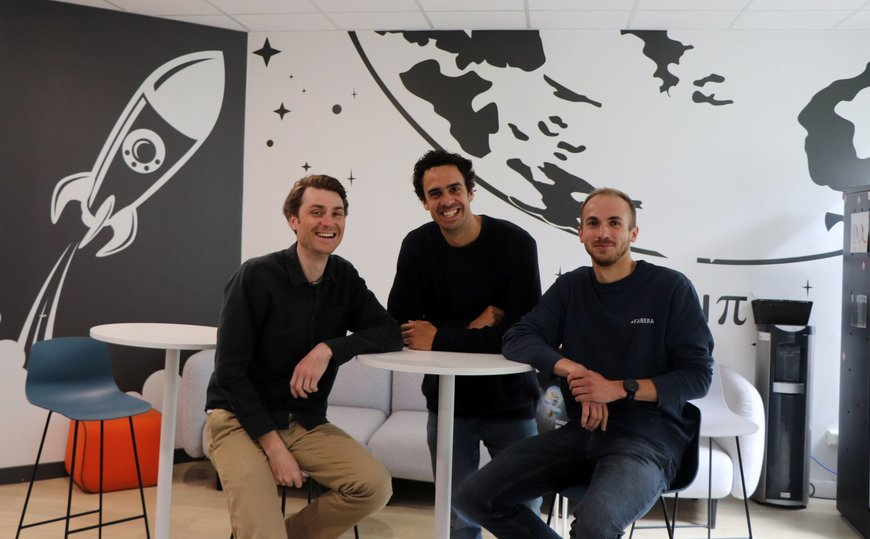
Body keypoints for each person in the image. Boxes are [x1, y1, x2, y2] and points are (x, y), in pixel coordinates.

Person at [456, 187, 714, 539]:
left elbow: (698, 377)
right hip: (580, 432)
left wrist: (617, 389)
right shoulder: (572, 286)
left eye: (614, 223)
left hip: (647, 439)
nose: (603, 232)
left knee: (594, 525)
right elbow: (517, 338)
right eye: (593, 223)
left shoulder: (670, 288)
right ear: (580, 233)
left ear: (633, 233)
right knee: (474, 497)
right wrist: (577, 371)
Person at [205, 174, 403, 539]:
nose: (329, 222)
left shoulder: (343, 275)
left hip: (303, 422)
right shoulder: (255, 276)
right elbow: (230, 373)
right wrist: (274, 448)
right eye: (317, 212)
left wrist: (329, 349)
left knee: (374, 487)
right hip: (238, 420)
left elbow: (389, 331)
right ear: (293, 220)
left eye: (337, 213)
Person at [388, 149, 542, 539]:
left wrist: (439, 336)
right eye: (435, 193)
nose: (447, 200)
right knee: (457, 518)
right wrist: (472, 328)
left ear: (471, 192)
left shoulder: (515, 244)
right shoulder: (417, 246)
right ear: (425, 202)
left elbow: (521, 335)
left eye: (454, 189)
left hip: (511, 400)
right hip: (448, 403)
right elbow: (402, 325)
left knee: (523, 514)